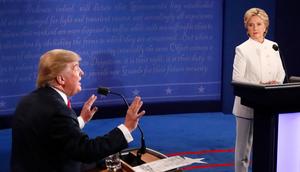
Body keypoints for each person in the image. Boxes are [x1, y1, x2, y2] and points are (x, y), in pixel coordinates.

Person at [11, 49, 146, 172]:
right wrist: (127, 127)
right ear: (61, 78)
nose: (82, 72)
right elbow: (86, 151)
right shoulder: (57, 110)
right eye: (76, 68)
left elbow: (53, 135)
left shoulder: (28, 100)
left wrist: (80, 120)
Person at [232, 8, 285, 172]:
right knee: (243, 153)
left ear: (265, 26)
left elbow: (281, 72)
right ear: (246, 27)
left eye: (259, 24)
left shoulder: (273, 46)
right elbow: (237, 79)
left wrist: (276, 83)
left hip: (268, 106)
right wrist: (260, 85)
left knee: (266, 149)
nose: (255, 28)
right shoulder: (242, 49)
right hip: (246, 106)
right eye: (251, 25)